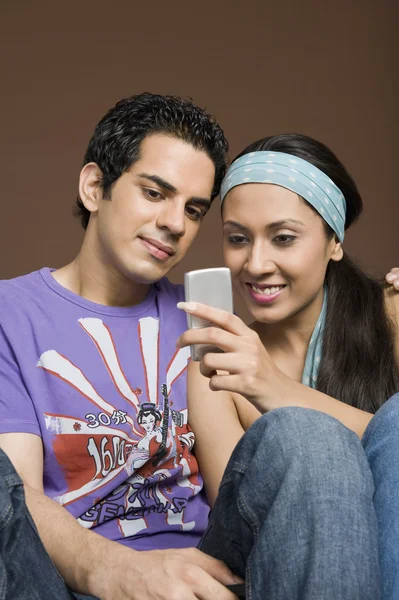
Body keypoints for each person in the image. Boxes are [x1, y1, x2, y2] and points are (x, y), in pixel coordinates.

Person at [0, 93, 244, 600]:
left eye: (194, 209)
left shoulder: (202, 316)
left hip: (205, 575)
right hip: (64, 581)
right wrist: (119, 572)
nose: (176, 224)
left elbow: (245, 487)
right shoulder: (11, 313)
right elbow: (13, 494)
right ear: (95, 187)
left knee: (304, 442)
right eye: (155, 193)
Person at [177, 134, 399, 599]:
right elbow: (242, 519)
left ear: (334, 241)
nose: (256, 264)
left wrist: (275, 389)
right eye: (238, 239)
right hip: (271, 561)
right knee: (304, 439)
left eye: (283, 238)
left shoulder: (391, 315)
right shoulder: (216, 358)